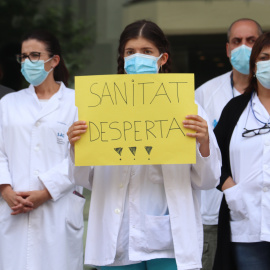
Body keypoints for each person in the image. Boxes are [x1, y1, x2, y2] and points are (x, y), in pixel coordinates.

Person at [67, 20, 221, 270]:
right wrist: (77, 148)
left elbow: (208, 181)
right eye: (130, 52)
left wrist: (204, 143)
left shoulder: (188, 108)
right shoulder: (97, 109)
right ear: (122, 57)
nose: (138, 58)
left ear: (162, 59)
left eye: (146, 51)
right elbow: (86, 180)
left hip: (168, 241)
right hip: (118, 239)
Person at [0, 30, 84, 270]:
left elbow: (83, 157)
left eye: (35, 55)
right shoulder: (8, 104)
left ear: (54, 60)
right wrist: (6, 190)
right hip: (13, 210)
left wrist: (46, 192)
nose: (28, 62)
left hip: (58, 211)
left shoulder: (77, 103)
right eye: (24, 57)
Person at [194, 18, 262, 270]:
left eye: (251, 41)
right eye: (237, 41)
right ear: (227, 49)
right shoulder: (204, 93)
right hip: (212, 215)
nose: (243, 47)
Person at [213, 32, 270, 270]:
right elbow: (212, 159)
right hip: (247, 225)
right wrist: (231, 191)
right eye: (265, 57)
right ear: (255, 65)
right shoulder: (235, 109)